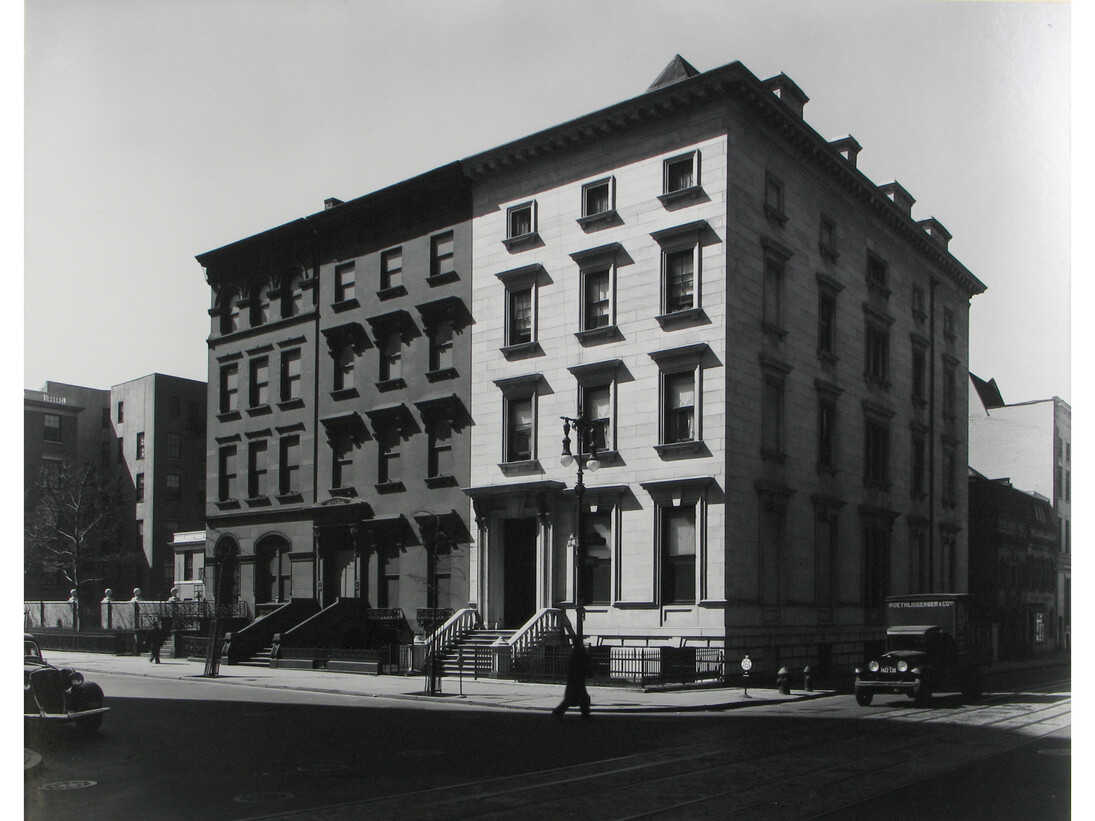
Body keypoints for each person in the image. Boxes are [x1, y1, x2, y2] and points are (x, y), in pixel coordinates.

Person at [552, 638, 592, 720]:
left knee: (579, 697)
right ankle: (558, 712)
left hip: (575, 678)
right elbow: (581, 664)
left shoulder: (575, 652)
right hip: (576, 678)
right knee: (575, 698)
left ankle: (585, 714)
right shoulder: (578, 652)